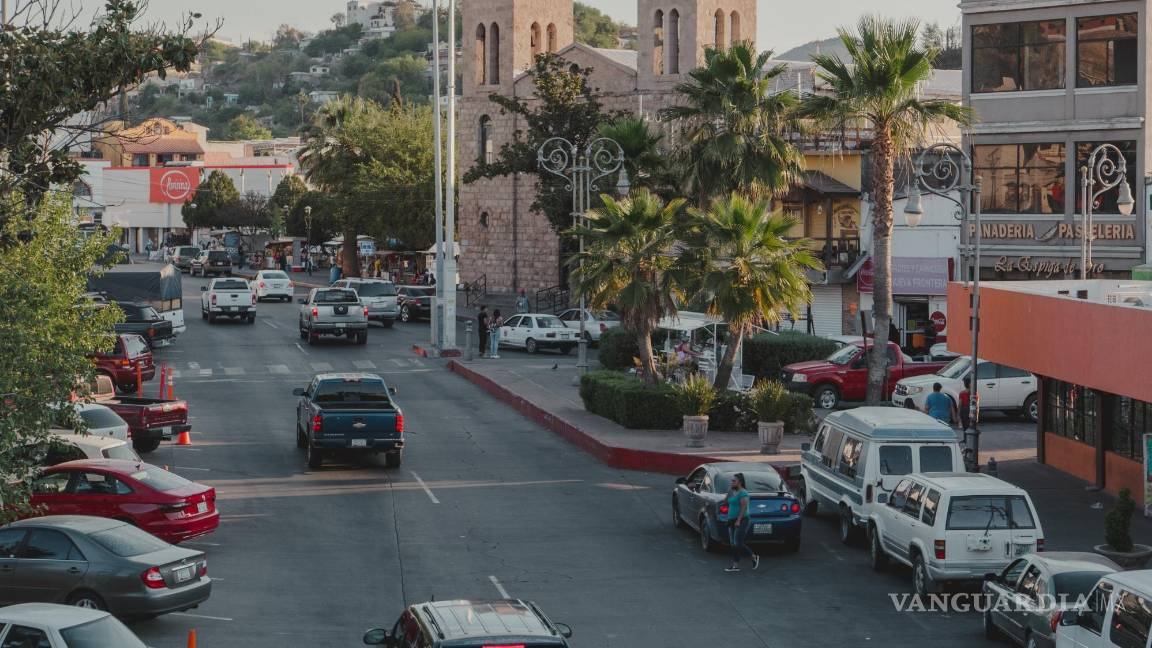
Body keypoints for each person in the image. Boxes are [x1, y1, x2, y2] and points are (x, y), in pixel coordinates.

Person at [724, 473, 759, 573]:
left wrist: (738, 520)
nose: (732, 482)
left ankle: (752, 557)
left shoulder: (743, 493)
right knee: (733, 543)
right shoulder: (731, 491)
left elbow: (743, 508)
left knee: (737, 542)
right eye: (731, 480)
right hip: (731, 520)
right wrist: (728, 492)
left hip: (742, 520)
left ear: (740, 482)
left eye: (734, 481)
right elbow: (726, 502)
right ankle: (738, 564)